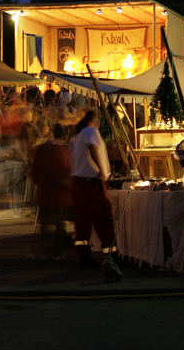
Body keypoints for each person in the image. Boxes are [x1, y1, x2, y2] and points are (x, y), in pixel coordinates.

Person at [69, 110, 122, 281]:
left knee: (82, 220)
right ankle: (111, 256)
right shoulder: (90, 132)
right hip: (91, 182)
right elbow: (93, 148)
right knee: (103, 218)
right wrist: (101, 170)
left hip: (78, 181)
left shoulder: (77, 137)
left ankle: (83, 256)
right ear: (94, 119)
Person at [31, 123, 73, 261]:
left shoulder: (42, 149)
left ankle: (44, 251)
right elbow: (70, 170)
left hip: (45, 191)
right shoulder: (67, 150)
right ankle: (57, 252)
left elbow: (35, 170)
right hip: (62, 193)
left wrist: (39, 182)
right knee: (59, 223)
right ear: (65, 136)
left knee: (46, 224)